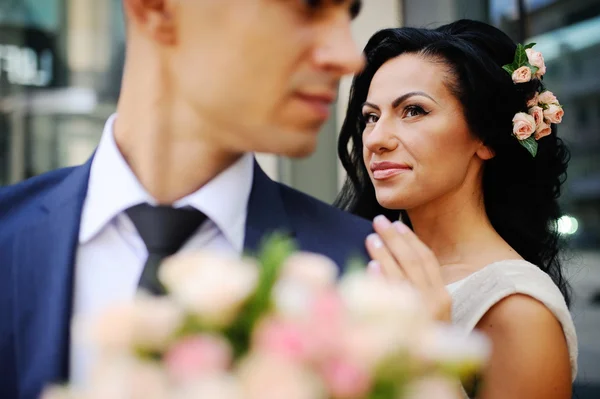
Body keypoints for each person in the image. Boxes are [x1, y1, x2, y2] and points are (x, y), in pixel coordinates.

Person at [0, 1, 372, 398]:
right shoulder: (9, 235)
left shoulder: (368, 278)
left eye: (348, 14)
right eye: (307, 8)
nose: (350, 57)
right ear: (155, 10)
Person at [336, 19, 577, 398]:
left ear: (485, 137)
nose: (377, 138)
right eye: (371, 116)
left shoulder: (516, 309)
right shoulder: (367, 268)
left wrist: (430, 348)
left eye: (413, 110)